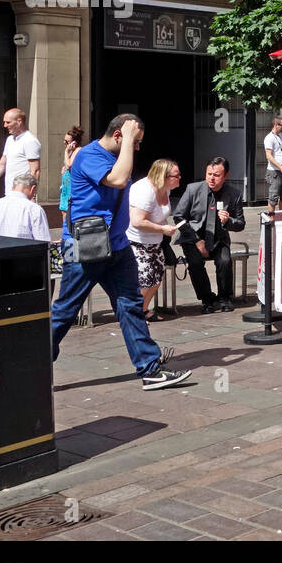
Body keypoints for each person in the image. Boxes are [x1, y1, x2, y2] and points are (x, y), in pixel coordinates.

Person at [50, 114, 189, 390]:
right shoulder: (88, 155)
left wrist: (127, 142)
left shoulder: (114, 155)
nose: (137, 148)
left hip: (117, 246)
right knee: (65, 310)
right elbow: (119, 179)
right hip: (83, 246)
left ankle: (149, 369)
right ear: (118, 136)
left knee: (130, 306)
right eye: (135, 142)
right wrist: (127, 140)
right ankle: (33, 362)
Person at [173, 156, 246, 313]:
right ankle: (207, 299)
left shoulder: (234, 194)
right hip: (193, 237)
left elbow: (240, 224)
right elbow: (178, 217)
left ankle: (224, 297)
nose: (211, 179)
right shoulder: (193, 189)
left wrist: (228, 221)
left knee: (225, 261)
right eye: (209, 174)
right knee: (195, 263)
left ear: (226, 176)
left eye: (216, 175)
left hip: (218, 238)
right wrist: (197, 241)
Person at [127, 158, 181, 323]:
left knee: (156, 277)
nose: (180, 178)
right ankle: (135, 315)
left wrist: (165, 227)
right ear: (164, 176)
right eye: (176, 175)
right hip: (137, 241)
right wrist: (163, 229)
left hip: (155, 241)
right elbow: (137, 221)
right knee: (144, 279)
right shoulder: (144, 191)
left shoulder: (166, 189)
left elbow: (160, 215)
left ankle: (143, 309)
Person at [0, 107, 41, 201]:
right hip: (9, 193)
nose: (5, 125)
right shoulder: (10, 140)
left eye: (8, 122)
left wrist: (32, 196)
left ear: (19, 121)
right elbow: (1, 165)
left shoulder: (30, 141)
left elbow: (35, 171)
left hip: (23, 195)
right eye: (4, 122)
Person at [0, 172, 49, 242]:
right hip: (21, 252)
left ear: (13, 187)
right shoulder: (34, 209)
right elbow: (42, 241)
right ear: (33, 188)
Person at [263, 116, 282, 216]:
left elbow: (279, 151)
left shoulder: (278, 137)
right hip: (274, 171)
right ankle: (271, 222)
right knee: (273, 197)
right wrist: (281, 167)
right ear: (275, 125)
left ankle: (281, 218)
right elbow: (269, 156)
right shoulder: (269, 138)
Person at [59, 126, 84, 226]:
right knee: (63, 208)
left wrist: (66, 152)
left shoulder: (78, 150)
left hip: (71, 184)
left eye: (67, 141)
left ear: (74, 142)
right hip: (65, 184)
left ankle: (67, 235)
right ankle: (64, 235)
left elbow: (69, 165)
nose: (65, 144)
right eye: (64, 141)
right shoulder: (71, 151)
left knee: (67, 208)